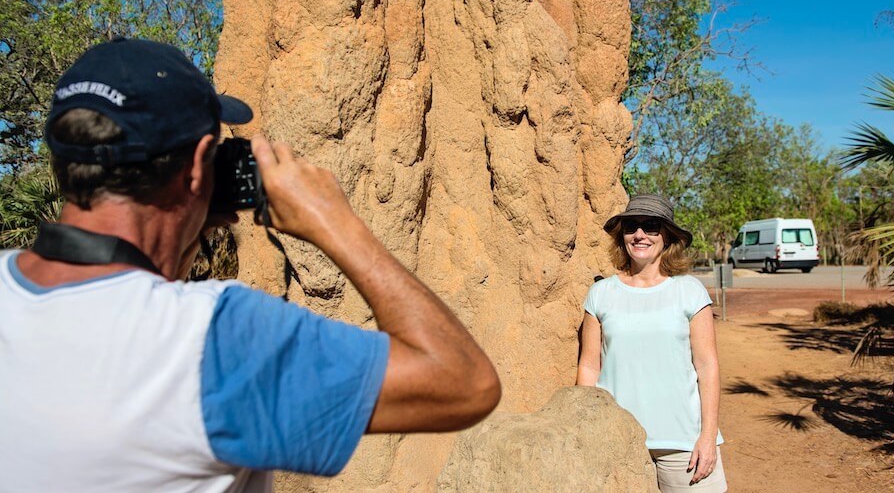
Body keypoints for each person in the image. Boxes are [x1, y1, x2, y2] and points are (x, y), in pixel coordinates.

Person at [0, 38, 501, 492]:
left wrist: (185, 233)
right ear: (198, 165)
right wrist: (334, 221)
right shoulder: (211, 339)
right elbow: (464, 383)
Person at [576, 195, 727, 492]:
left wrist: (708, 437)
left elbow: (707, 367)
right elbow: (590, 366)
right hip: (617, 440)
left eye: (651, 226)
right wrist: (586, 427)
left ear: (667, 235)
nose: (640, 234)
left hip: (683, 445)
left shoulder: (690, 291)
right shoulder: (601, 294)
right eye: (631, 226)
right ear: (622, 236)